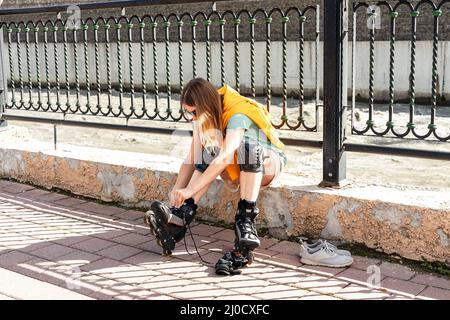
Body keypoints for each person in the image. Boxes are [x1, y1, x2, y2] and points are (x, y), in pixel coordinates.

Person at [145, 77, 287, 275]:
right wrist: (177, 194)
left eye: (193, 113)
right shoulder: (207, 115)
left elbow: (227, 155)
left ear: (204, 106)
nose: (192, 118)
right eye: (188, 113)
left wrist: (190, 189)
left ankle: (245, 221)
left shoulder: (237, 112)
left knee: (248, 148)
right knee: (208, 150)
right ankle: (180, 218)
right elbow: (191, 159)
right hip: (236, 171)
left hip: (266, 166)